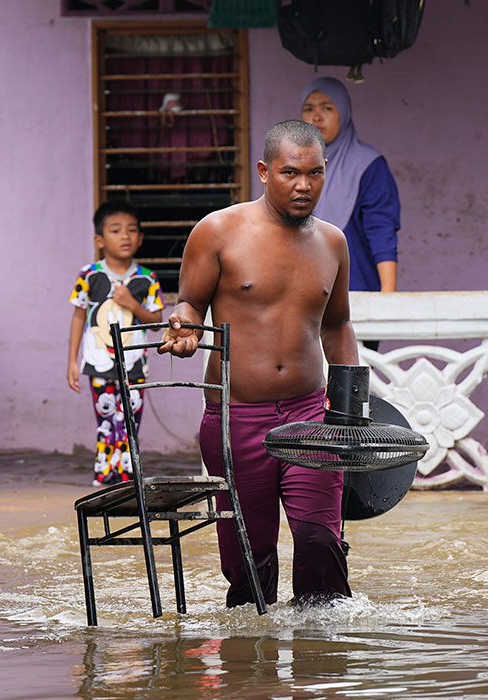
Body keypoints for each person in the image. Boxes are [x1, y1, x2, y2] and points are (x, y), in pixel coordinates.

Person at [158, 120, 360, 608]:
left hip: (310, 416)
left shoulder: (333, 242)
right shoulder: (217, 231)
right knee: (250, 559)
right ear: (265, 171)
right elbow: (190, 303)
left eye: (314, 173)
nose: (303, 186)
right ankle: (251, 652)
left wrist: (353, 410)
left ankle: (323, 649)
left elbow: (337, 326)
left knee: (320, 540)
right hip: (236, 418)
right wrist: (185, 328)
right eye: (290, 173)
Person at [68, 201, 164, 487]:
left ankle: (128, 474)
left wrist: (132, 304)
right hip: (98, 360)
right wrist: (72, 360)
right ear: (99, 240)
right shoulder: (88, 275)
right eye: (116, 230)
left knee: (131, 419)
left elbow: (156, 321)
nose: (125, 236)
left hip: (133, 364)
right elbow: (78, 316)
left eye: (132, 230)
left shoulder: (147, 278)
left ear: (140, 238)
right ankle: (104, 472)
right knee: (106, 417)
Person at [300, 77, 400, 298]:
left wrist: (388, 297)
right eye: (309, 109)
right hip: (301, 294)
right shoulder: (293, 164)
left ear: (343, 113)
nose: (317, 117)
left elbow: (381, 230)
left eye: (327, 108)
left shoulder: (368, 165)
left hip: (356, 289)